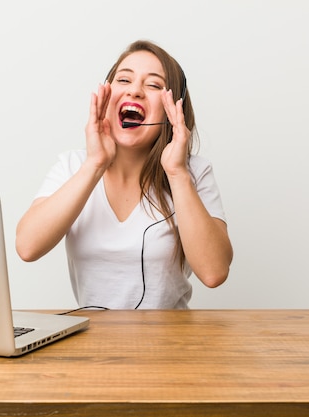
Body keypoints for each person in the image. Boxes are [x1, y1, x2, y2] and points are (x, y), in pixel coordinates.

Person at [16, 40, 233, 309]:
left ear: (172, 109)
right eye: (124, 80)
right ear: (106, 96)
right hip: (92, 342)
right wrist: (95, 164)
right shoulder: (72, 166)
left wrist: (177, 174)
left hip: (173, 345)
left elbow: (214, 272)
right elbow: (27, 247)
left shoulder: (193, 173)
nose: (135, 91)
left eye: (153, 85)